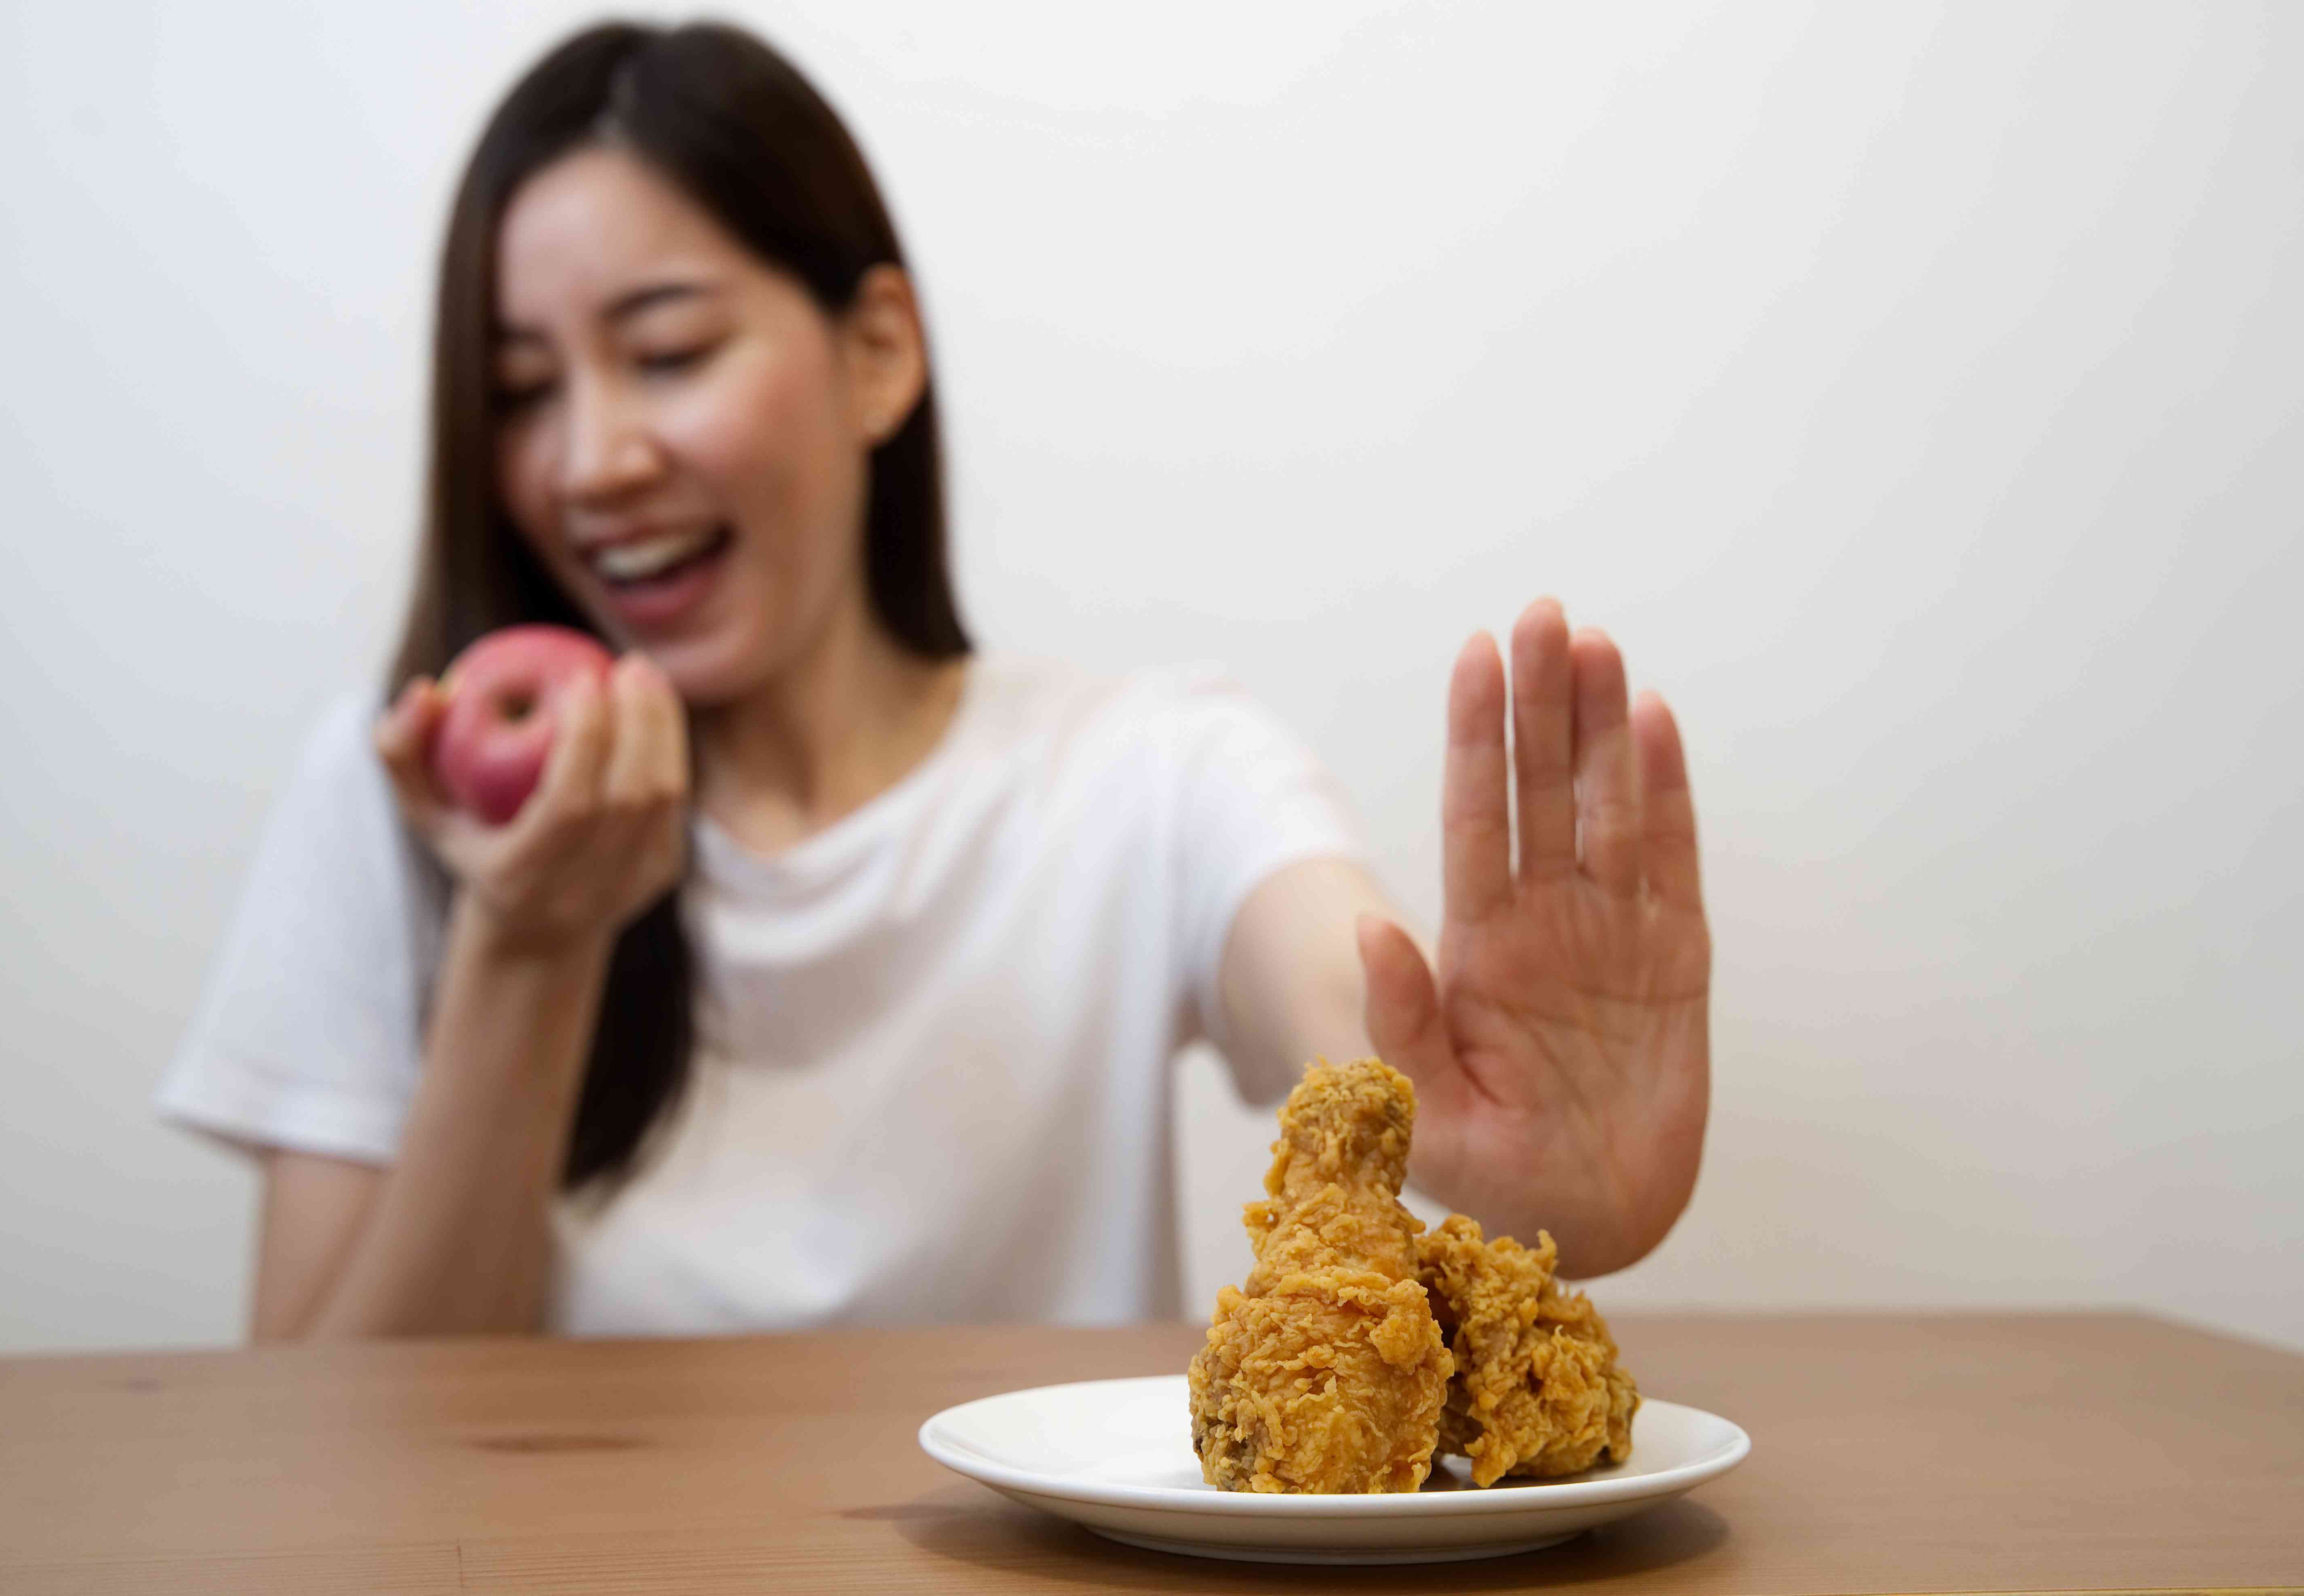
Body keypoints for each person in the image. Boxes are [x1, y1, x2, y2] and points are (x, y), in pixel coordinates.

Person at [158, 20, 1711, 1341]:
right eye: (521, 394)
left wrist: (1492, 1139)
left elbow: (1327, 986)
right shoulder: (404, 792)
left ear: (877, 354)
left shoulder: (1143, 775)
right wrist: (526, 947)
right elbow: (339, 1448)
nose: (591, 460)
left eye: (672, 351)